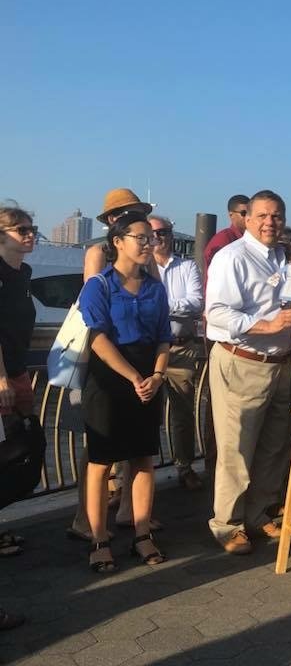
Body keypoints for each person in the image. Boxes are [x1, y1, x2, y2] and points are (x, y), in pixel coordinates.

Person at [205, 190, 291, 554]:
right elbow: (216, 313)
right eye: (261, 215)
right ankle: (227, 524)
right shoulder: (232, 258)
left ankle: (259, 514)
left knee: (273, 446)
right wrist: (267, 325)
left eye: (276, 215)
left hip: (279, 365)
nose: (269, 222)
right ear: (246, 218)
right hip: (242, 360)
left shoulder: (283, 259)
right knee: (236, 449)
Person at [79, 212, 172, 572]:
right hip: (109, 379)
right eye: (141, 237)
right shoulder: (99, 286)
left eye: (151, 238)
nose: (149, 244)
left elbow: (164, 335)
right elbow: (98, 338)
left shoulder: (155, 288)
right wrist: (135, 376)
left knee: (143, 458)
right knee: (101, 464)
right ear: (118, 242)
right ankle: (99, 538)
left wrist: (158, 375)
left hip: (149, 377)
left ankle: (142, 532)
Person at [68, 189, 156, 541]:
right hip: (106, 361)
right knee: (100, 447)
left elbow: (156, 295)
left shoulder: (144, 255)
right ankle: (86, 520)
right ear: (111, 222)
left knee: (134, 447)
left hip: (140, 357)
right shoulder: (97, 254)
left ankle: (128, 511)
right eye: (128, 213)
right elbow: (94, 306)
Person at [149, 215, 204, 491]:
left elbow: (196, 303)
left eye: (164, 232)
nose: (159, 237)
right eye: (153, 232)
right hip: (147, 352)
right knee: (142, 414)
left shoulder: (187, 266)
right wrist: (174, 306)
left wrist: (159, 305)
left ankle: (184, 466)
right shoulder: (141, 269)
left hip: (182, 347)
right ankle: (125, 479)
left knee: (183, 413)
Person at [0, 205, 37, 574]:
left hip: (20, 371)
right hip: (3, 377)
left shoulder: (23, 273)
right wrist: (0, 380)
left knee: (16, 451)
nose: (28, 234)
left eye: (31, 228)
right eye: (20, 229)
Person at [203, 194, 248, 271]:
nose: (248, 216)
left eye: (251, 213)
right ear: (231, 215)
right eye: (244, 213)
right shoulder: (224, 239)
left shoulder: (252, 239)